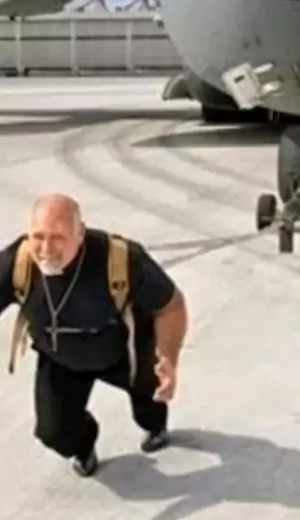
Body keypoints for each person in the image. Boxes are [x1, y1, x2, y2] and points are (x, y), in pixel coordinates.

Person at [0, 192, 188, 477]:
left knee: (152, 398)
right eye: (38, 236)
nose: (46, 249)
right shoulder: (18, 263)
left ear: (81, 234)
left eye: (58, 237)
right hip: (60, 357)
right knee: (54, 433)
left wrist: (168, 358)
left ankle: (154, 425)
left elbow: (170, 305)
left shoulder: (121, 259)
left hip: (124, 350)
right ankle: (84, 445)